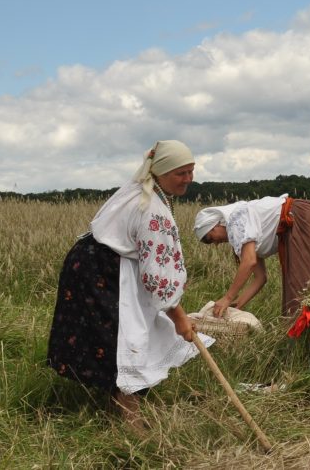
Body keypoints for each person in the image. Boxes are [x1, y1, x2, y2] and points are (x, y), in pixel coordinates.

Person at [46, 140, 209, 428]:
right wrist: (180, 318)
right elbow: (158, 278)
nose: (188, 179)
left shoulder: (140, 187)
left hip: (90, 263)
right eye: (180, 173)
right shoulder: (152, 209)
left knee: (121, 334)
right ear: (160, 171)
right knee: (124, 338)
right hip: (100, 272)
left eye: (191, 171)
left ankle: (121, 400)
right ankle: (130, 415)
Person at [194, 195, 310, 327]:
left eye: (210, 238)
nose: (215, 244)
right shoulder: (241, 237)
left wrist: (227, 298)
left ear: (216, 223)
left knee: (305, 281)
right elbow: (260, 278)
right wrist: (236, 307)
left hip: (304, 219)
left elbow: (248, 262)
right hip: (309, 218)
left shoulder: (236, 219)